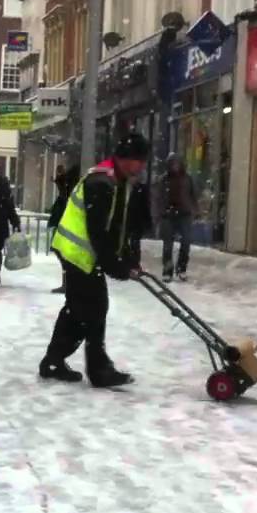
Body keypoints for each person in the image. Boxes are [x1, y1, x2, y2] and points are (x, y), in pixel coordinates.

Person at [39, 133, 151, 389]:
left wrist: (129, 259)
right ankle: (98, 370)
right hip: (77, 252)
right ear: (126, 160)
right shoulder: (102, 183)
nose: (142, 166)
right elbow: (99, 234)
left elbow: (118, 228)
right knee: (94, 307)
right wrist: (117, 267)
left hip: (83, 252)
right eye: (140, 161)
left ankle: (55, 361)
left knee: (81, 309)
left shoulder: (118, 181)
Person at [154, 154, 198, 282]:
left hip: (184, 214)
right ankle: (167, 270)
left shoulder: (187, 179)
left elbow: (193, 195)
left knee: (186, 242)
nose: (175, 166)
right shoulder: (164, 180)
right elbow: (158, 198)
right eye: (173, 164)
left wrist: (194, 209)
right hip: (168, 215)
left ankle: (181, 268)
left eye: (177, 164)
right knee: (168, 244)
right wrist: (160, 213)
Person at [47, 164, 79, 294]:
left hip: (64, 230)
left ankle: (68, 284)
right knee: (65, 257)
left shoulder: (65, 198)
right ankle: (68, 284)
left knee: (65, 257)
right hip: (64, 228)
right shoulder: (66, 194)